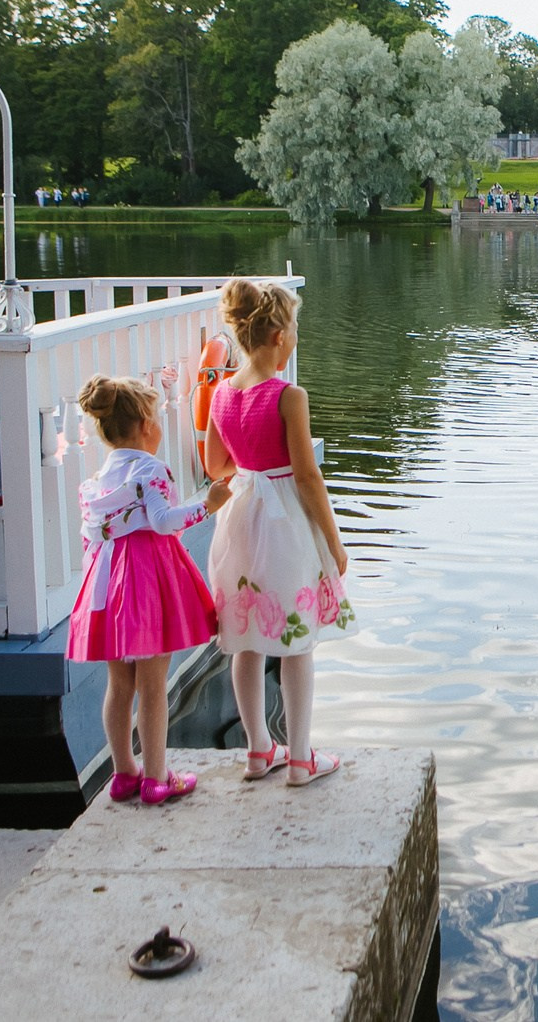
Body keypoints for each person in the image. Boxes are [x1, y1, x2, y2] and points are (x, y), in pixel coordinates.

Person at [205, 279, 357, 788]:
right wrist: (333, 541)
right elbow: (308, 476)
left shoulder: (222, 393)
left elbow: (216, 467)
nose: (295, 336)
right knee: (296, 641)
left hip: (240, 519)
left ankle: (257, 750)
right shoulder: (290, 396)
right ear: (277, 337)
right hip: (285, 521)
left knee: (246, 639)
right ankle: (300, 758)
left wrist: (251, 462)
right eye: (294, 328)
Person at [69, 375, 228, 805]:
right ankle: (157, 777)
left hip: (107, 581)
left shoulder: (100, 477)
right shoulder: (150, 470)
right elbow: (162, 522)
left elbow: (92, 537)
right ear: (145, 425)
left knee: (119, 684)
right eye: (156, 418)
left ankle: (124, 773)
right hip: (145, 582)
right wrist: (207, 506)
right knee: (153, 684)